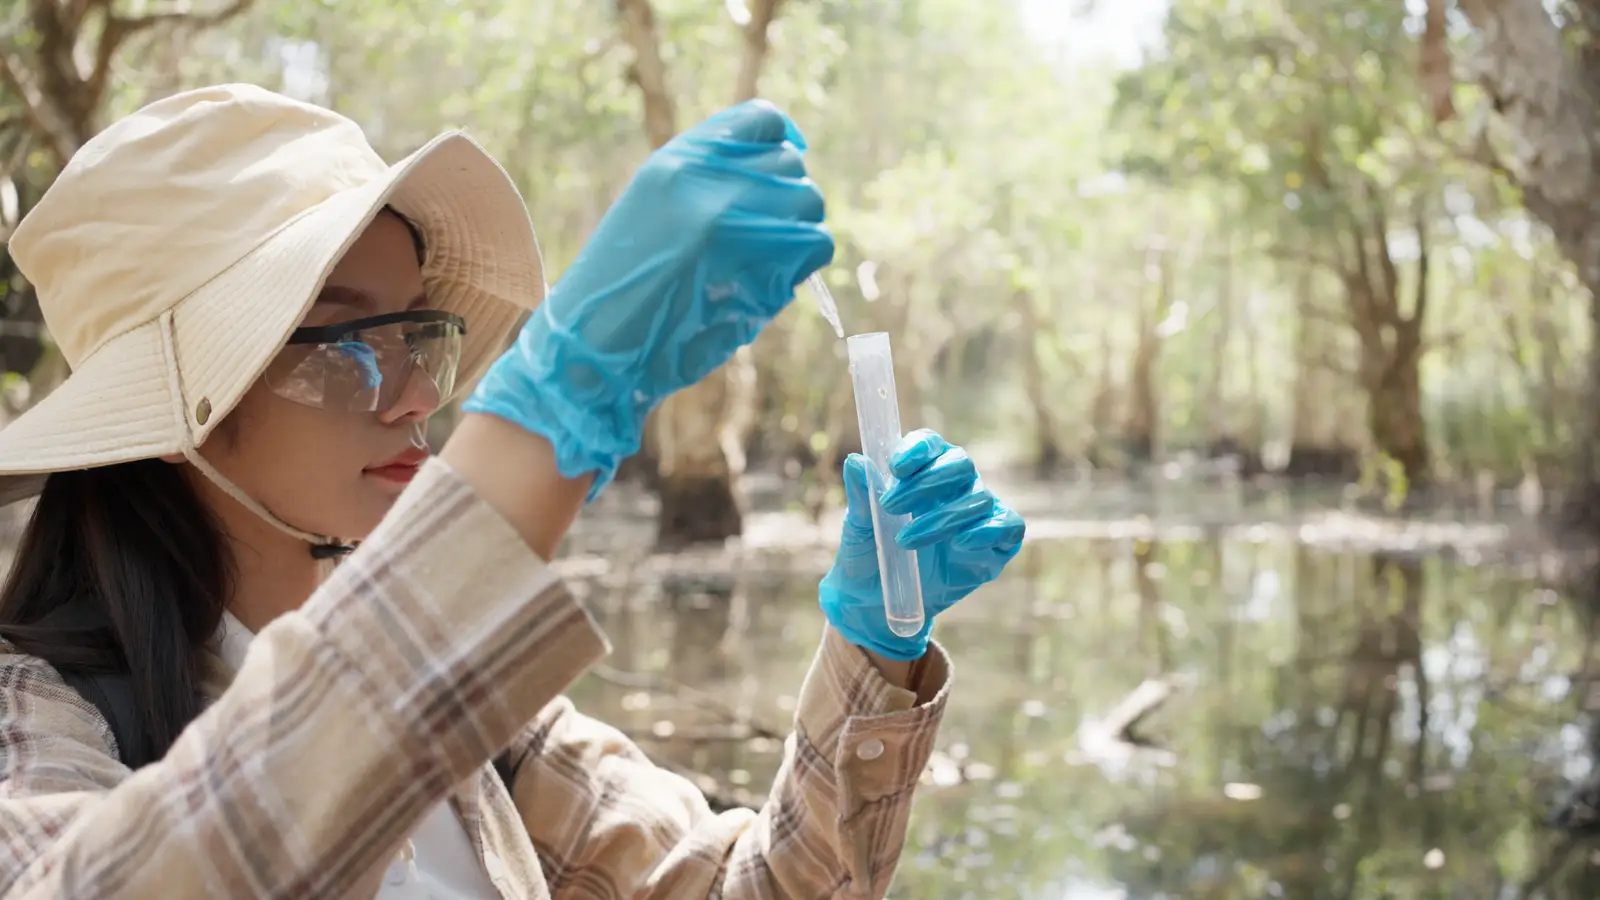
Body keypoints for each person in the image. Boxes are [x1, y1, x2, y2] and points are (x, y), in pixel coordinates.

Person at [0, 83, 1025, 900]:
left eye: (421, 336)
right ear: (176, 418)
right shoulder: (35, 723)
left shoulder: (488, 725)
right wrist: (551, 418)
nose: (416, 398)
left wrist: (870, 651)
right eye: (351, 344)